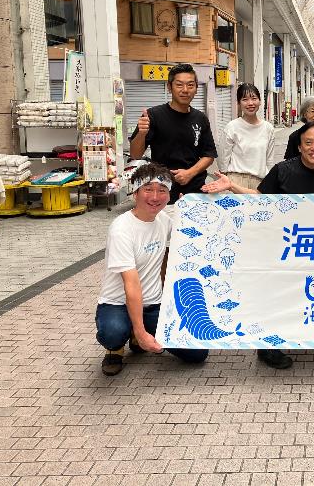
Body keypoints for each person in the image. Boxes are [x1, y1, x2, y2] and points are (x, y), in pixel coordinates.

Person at [202, 123, 314, 369]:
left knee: (304, 295)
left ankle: (298, 334)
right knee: (276, 296)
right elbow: (259, 198)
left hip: (312, 249)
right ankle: (267, 347)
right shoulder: (282, 170)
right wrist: (232, 186)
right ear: (299, 146)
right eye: (308, 142)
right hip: (280, 247)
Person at [95, 163, 209, 376]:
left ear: (169, 195)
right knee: (113, 332)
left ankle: (138, 332)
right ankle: (116, 347)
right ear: (135, 193)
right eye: (148, 189)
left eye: (162, 190)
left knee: (197, 354)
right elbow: (131, 284)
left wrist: (189, 211)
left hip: (153, 304)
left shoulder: (163, 220)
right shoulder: (121, 229)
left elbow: (194, 235)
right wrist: (141, 332)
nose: (155, 197)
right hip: (117, 303)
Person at [129, 63, 217, 204]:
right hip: (162, 189)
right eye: (179, 85)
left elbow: (209, 155)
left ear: (196, 89)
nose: (185, 90)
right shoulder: (153, 115)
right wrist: (141, 134)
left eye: (190, 85)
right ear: (169, 87)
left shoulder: (200, 118)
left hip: (195, 189)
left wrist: (190, 173)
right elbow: (135, 155)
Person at [219, 83, 275, 190]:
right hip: (235, 180)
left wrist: (270, 182)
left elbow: (269, 160)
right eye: (245, 99)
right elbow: (223, 158)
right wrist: (225, 179)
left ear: (260, 101)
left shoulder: (268, 128)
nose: (250, 103)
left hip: (260, 182)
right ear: (238, 103)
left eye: (254, 98)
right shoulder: (232, 127)